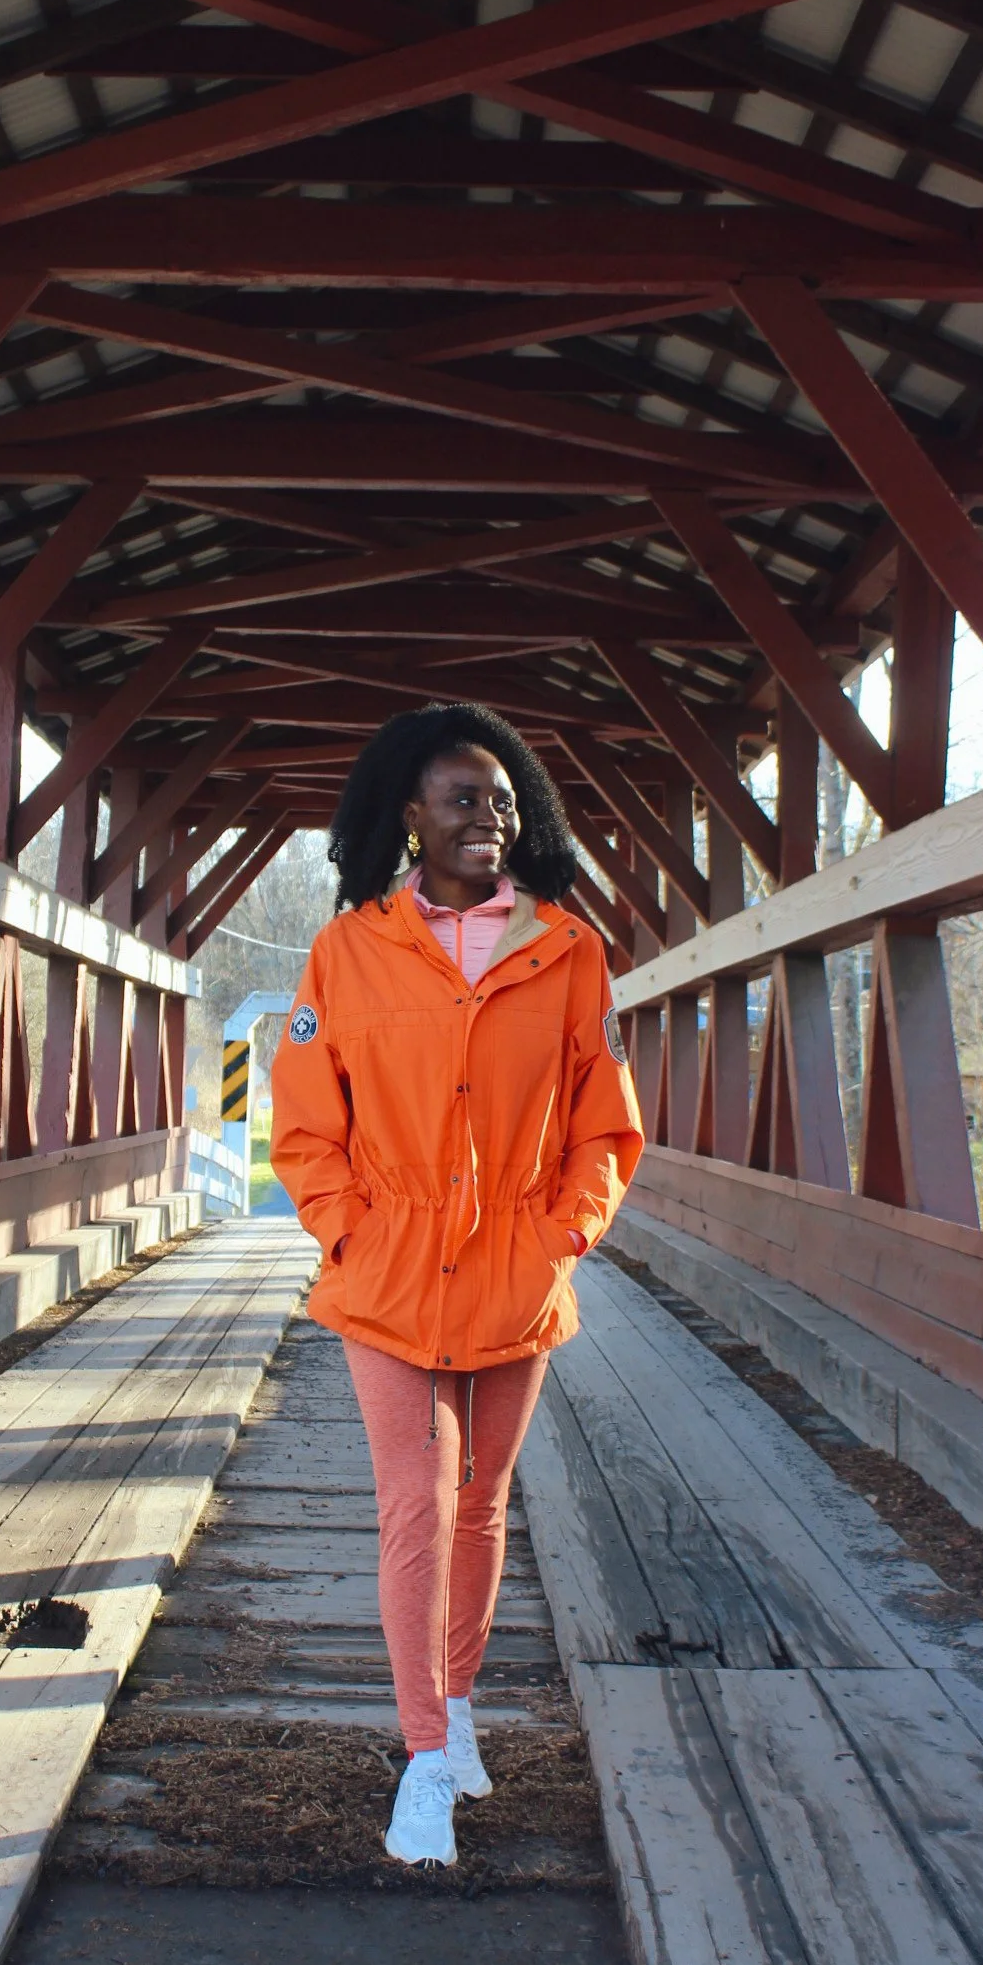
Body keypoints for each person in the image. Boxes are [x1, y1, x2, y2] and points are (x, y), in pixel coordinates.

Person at [271, 704, 645, 1869]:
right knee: (417, 1502)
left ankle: (462, 1701)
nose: (492, 817)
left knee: (482, 1506)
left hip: (516, 1273)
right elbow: (301, 1125)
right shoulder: (347, 953)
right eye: (464, 799)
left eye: (504, 799)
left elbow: (607, 1128)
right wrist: (349, 1233)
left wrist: (563, 1234)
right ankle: (426, 1756)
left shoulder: (572, 952)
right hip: (387, 1277)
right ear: (409, 818)